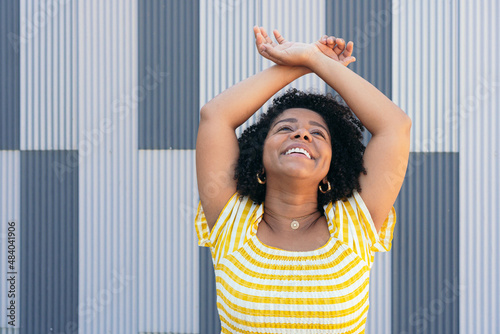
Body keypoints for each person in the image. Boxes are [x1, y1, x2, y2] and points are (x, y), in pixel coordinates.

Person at [194, 26, 411, 333]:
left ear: (332, 162)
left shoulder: (355, 224)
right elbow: (215, 115)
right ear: (260, 153)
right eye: (285, 128)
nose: (302, 134)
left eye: (318, 134)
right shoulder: (231, 220)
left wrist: (313, 58)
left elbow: (395, 125)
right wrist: (296, 65)